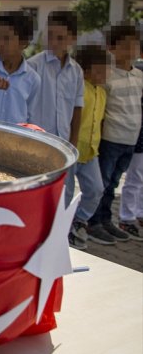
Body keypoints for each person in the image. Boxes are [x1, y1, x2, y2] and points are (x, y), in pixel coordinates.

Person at [87, 23, 143, 245]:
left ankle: (106, 220)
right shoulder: (107, 77)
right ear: (111, 48)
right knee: (103, 182)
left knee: (114, 183)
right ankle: (92, 223)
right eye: (124, 46)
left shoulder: (139, 76)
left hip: (130, 139)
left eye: (134, 45)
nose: (130, 51)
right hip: (110, 138)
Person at [27, 10, 84, 207]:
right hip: (38, 142)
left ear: (72, 38)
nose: (54, 42)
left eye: (60, 37)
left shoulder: (76, 71)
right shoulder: (33, 66)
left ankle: (61, 233)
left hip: (64, 144)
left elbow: (77, 108)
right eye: (50, 35)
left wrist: (73, 142)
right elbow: (24, 105)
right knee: (38, 190)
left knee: (64, 192)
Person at [68, 45, 110, 249]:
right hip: (73, 149)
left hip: (91, 152)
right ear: (84, 71)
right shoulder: (80, 88)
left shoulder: (102, 93)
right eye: (99, 70)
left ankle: (79, 220)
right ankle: (63, 229)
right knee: (64, 193)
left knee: (96, 190)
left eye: (106, 70)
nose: (105, 74)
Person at [118, 94, 143, 241]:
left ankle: (138, 213)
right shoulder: (139, 77)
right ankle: (127, 218)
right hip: (136, 137)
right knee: (135, 178)